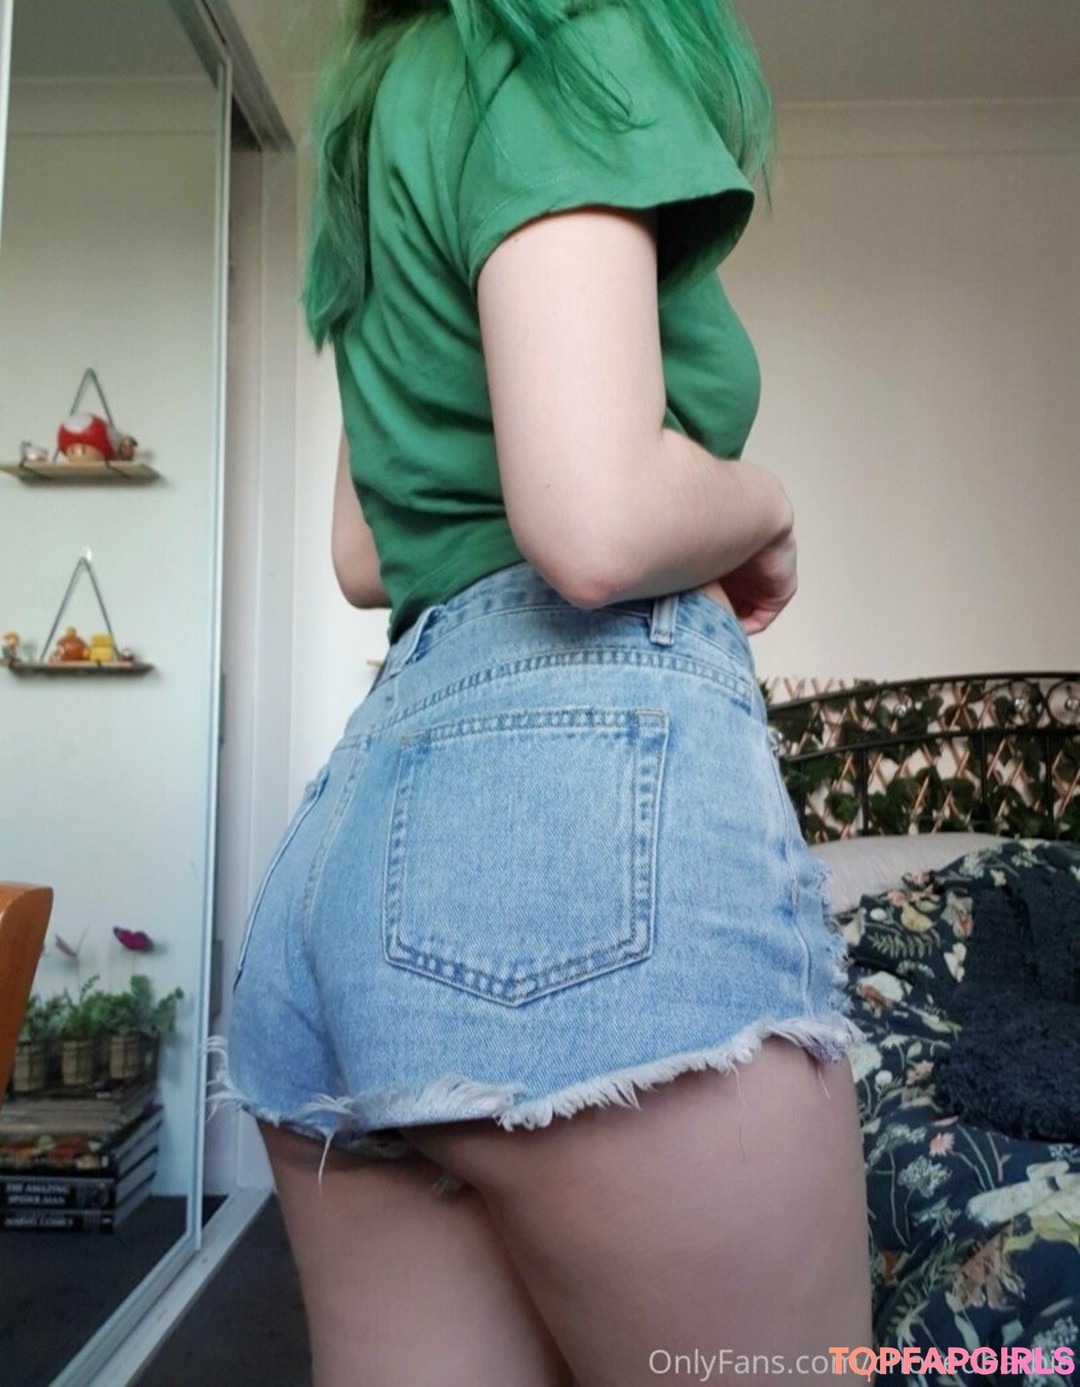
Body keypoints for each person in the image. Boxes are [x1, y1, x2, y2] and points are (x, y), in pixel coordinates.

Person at [207, 0, 873, 1381]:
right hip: (569, 822)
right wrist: (766, 504)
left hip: (354, 836)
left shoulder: (384, 105)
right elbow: (594, 521)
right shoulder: (564, 28)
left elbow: (361, 555)